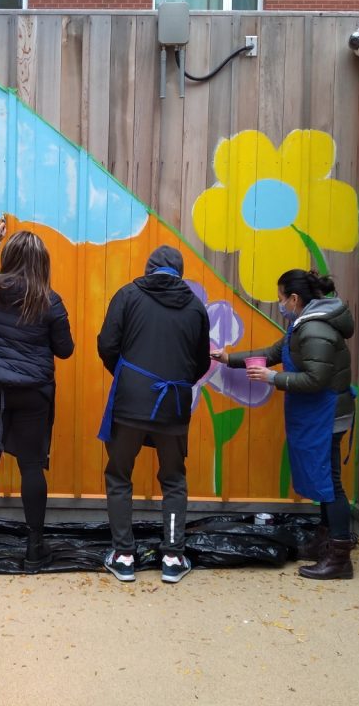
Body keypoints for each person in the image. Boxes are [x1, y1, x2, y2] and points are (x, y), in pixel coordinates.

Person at [211, 268, 356, 580]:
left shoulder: (315, 329)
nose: (280, 305)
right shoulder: (301, 326)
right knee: (323, 481)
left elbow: (316, 379)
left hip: (327, 414)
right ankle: (325, 542)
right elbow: (271, 353)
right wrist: (228, 358)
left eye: (281, 299)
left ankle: (340, 556)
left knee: (330, 481)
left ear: (294, 298)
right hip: (320, 413)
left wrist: (272, 379)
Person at [0, 218, 74, 572]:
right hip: (34, 394)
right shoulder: (50, 301)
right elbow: (65, 351)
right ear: (43, 264)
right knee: (32, 467)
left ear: (10, 257)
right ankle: (35, 549)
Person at [96, 245, 211, 584]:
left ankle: (124, 555)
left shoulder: (128, 295)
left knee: (119, 475)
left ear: (149, 269)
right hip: (174, 403)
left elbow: (106, 344)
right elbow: (201, 362)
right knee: (174, 479)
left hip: (130, 401)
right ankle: (174, 557)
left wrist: (128, 374)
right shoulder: (195, 306)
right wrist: (179, 381)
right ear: (180, 271)